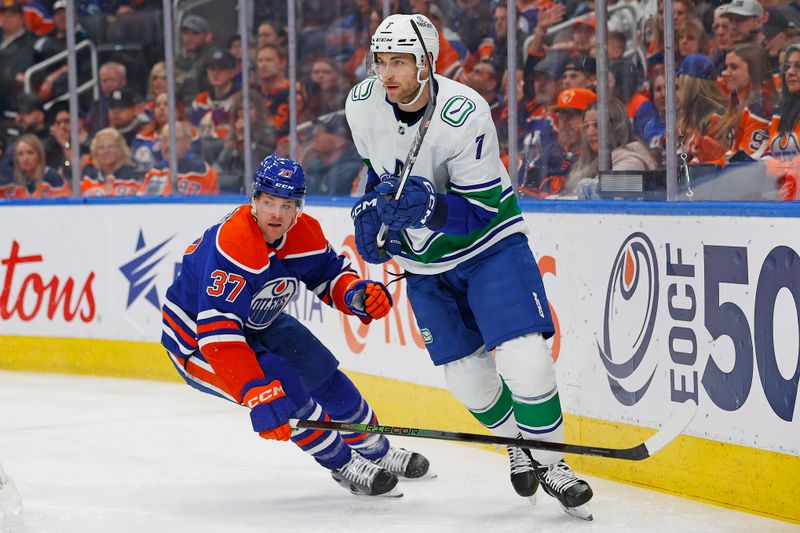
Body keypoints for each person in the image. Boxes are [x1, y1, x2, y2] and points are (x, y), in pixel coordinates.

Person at [345, 13, 593, 519]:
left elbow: (480, 210)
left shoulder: (464, 112)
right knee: (470, 384)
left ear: (427, 63)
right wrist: (376, 217)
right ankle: (518, 446)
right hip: (424, 265)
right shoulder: (362, 102)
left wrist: (431, 208)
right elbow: (378, 175)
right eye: (381, 61)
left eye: (400, 62)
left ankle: (555, 464)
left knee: (526, 359)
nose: (387, 73)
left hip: (489, 248)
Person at [160, 155, 431, 497]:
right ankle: (344, 463)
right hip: (197, 343)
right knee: (280, 382)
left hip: (259, 319)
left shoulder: (305, 234)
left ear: (298, 208)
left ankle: (378, 449)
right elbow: (219, 336)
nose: (276, 213)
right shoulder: (235, 244)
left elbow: (329, 274)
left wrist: (356, 295)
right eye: (269, 201)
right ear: (254, 201)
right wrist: (255, 390)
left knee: (322, 371)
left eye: (286, 205)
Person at [0, 133, 70, 198]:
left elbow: (65, 205)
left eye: (30, 153)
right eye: (20, 154)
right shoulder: (11, 181)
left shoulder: (52, 178)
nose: (25, 158)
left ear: (39, 155)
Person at [81, 128, 142, 196]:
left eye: (111, 146)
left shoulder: (135, 177)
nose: (106, 151)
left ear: (120, 149)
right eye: (101, 147)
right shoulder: (88, 178)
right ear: (95, 152)